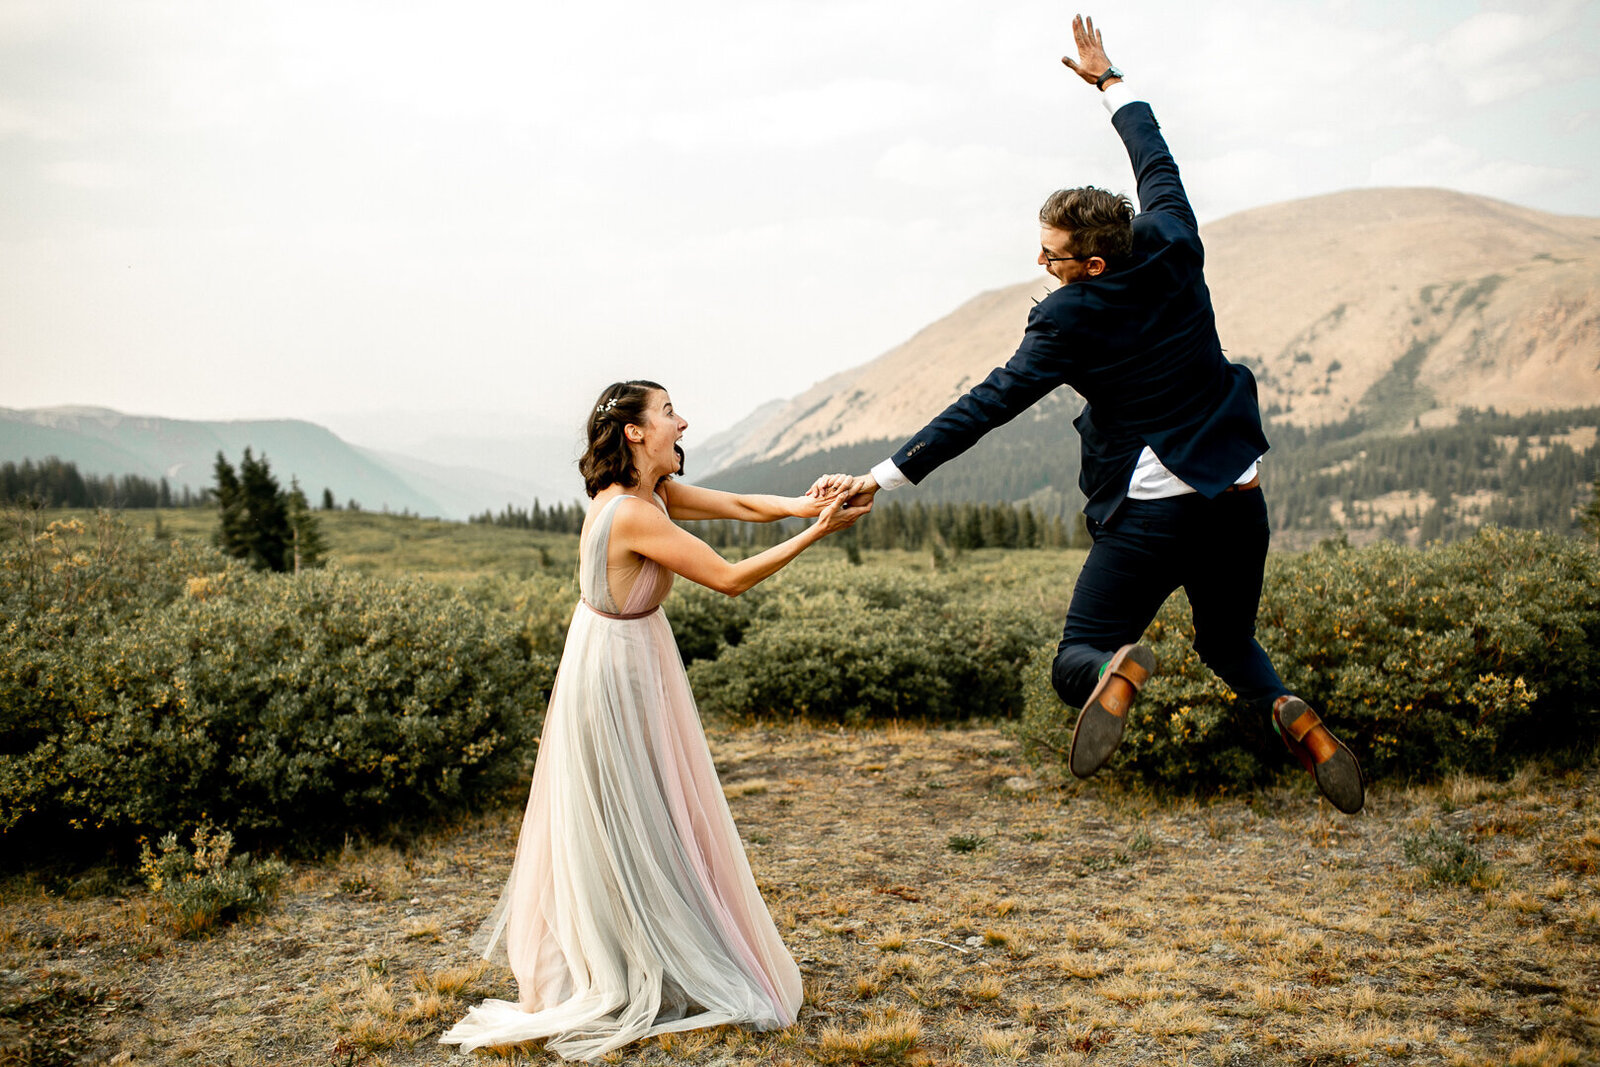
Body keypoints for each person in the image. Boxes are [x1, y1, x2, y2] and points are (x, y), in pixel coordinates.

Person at [821, 14, 1363, 814]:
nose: (1041, 264)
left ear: (1094, 262)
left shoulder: (1065, 320)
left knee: (1078, 649)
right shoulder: (1175, 241)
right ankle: (1300, 721)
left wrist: (882, 476)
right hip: (1239, 495)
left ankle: (1114, 672)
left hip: (1151, 510)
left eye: (1053, 256)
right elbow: (1157, 159)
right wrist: (1111, 83)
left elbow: (988, 405)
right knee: (1226, 640)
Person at [441, 381, 867, 1060]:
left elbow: (739, 505)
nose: (683, 420)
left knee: (649, 810)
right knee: (631, 810)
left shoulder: (654, 496)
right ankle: (627, 958)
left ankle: (650, 943)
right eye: (669, 412)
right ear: (636, 432)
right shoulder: (629, 514)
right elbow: (728, 578)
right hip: (612, 668)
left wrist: (807, 503)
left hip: (630, 652)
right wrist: (818, 533)